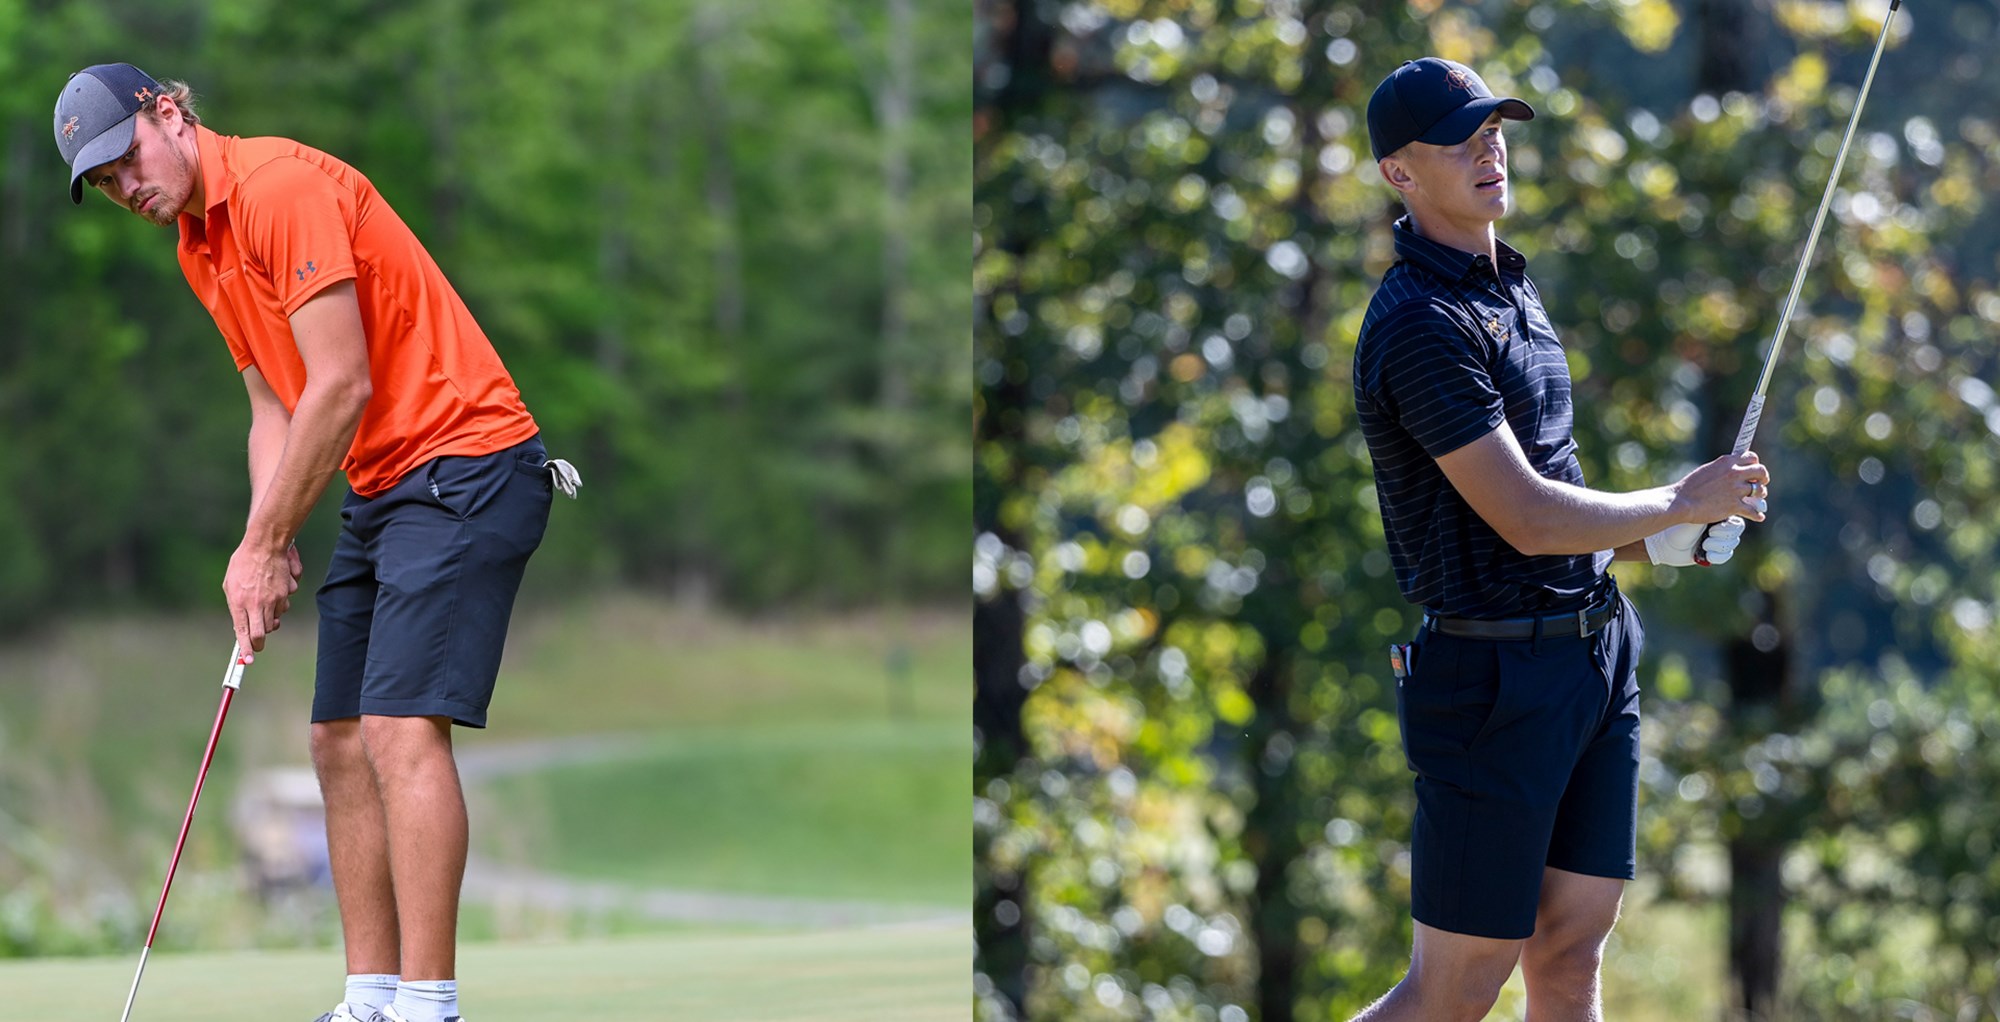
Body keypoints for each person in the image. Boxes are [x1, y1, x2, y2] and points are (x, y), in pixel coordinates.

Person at [54, 63, 579, 1022]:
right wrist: (266, 537)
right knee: (335, 739)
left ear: (167, 114)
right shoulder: (199, 247)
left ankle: (428, 1004)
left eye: (128, 159)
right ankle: (369, 998)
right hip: (386, 483)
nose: (128, 188)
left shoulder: (277, 189)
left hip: (466, 462)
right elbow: (273, 405)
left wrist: (265, 546)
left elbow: (341, 385)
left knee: (398, 729)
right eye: (106, 182)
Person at [1348, 58, 1771, 1021]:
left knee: (1573, 950)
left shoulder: (1511, 288)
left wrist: (1660, 539)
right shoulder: (1419, 323)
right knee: (1455, 988)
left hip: (1593, 656)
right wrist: (1680, 498)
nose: (1488, 151)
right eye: (1460, 140)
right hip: (1489, 682)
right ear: (1399, 173)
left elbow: (1553, 504)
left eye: (1494, 130)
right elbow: (1528, 517)